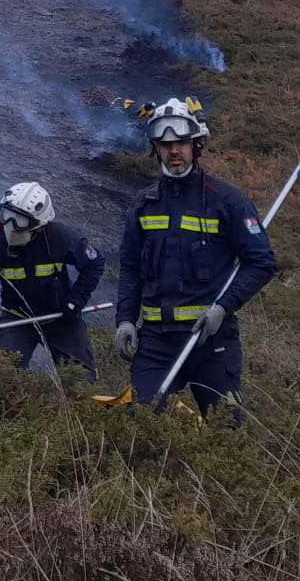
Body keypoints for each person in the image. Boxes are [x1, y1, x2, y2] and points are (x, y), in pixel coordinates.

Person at [112, 99, 277, 419]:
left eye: (182, 143)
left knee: (226, 429)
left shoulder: (228, 202)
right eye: (166, 144)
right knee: (143, 428)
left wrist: (221, 309)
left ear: (196, 144)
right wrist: (126, 319)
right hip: (156, 342)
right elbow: (131, 268)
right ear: (155, 148)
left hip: (212, 341)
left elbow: (262, 262)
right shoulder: (143, 206)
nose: (175, 151)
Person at [0, 182, 104, 378]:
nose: (11, 225)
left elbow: (94, 263)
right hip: (16, 319)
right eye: (7, 215)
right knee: (2, 377)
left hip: (62, 318)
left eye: (20, 220)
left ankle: (81, 407)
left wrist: (74, 302)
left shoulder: (59, 237)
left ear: (38, 224)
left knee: (81, 379)